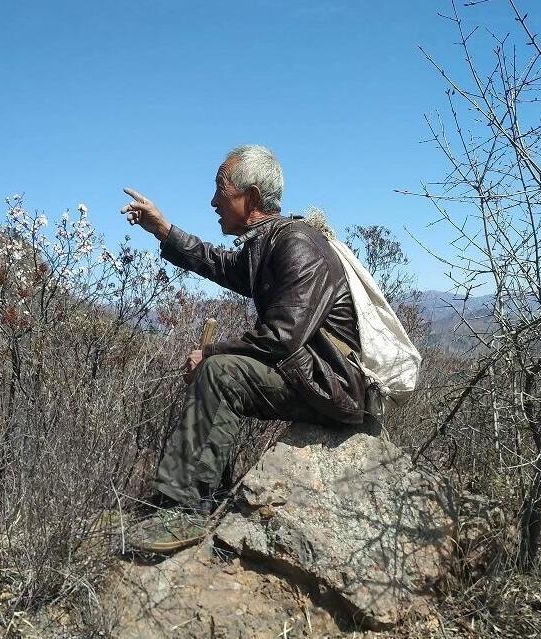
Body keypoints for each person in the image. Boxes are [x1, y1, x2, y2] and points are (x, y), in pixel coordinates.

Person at [121, 145, 365, 552]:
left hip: (332, 383)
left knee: (222, 374)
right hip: (310, 377)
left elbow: (281, 337)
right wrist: (163, 230)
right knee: (222, 372)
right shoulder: (268, 244)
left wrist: (211, 352)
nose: (214, 201)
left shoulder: (297, 245)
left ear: (249, 197)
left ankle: (182, 511)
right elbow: (216, 263)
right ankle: (206, 491)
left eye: (221, 189)